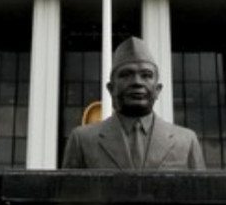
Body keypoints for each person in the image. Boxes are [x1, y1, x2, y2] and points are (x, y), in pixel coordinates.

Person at [61, 36, 205, 170]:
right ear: (111, 89)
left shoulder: (186, 141)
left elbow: (201, 196)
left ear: (158, 89)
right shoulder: (82, 140)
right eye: (126, 74)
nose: (137, 82)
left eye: (146, 75)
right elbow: (67, 195)